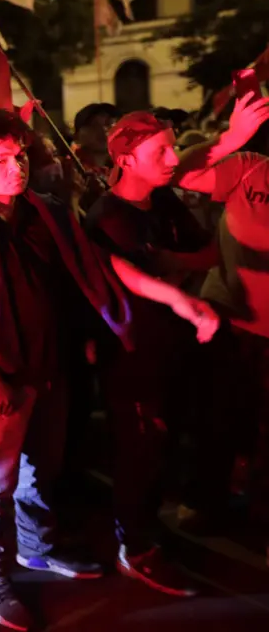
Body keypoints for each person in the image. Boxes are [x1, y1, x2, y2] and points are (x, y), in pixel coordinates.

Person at [0, 110, 217, 631]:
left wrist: (173, 301)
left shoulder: (48, 212)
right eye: (1, 160)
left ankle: (36, 548)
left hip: (49, 365)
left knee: (42, 466)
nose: (16, 167)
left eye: (20, 156)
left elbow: (96, 270)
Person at [83, 111, 218, 596]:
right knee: (139, 449)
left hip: (177, 344)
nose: (172, 158)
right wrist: (171, 281)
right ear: (125, 159)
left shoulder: (162, 201)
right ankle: (134, 548)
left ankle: (149, 533)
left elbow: (208, 251)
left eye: (172, 146)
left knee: (165, 445)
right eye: (160, 150)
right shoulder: (106, 217)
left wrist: (168, 268)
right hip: (133, 354)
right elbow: (131, 275)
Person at [170, 92, 269, 552]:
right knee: (217, 421)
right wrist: (230, 136)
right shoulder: (250, 165)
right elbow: (181, 172)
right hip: (230, 319)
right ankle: (203, 501)